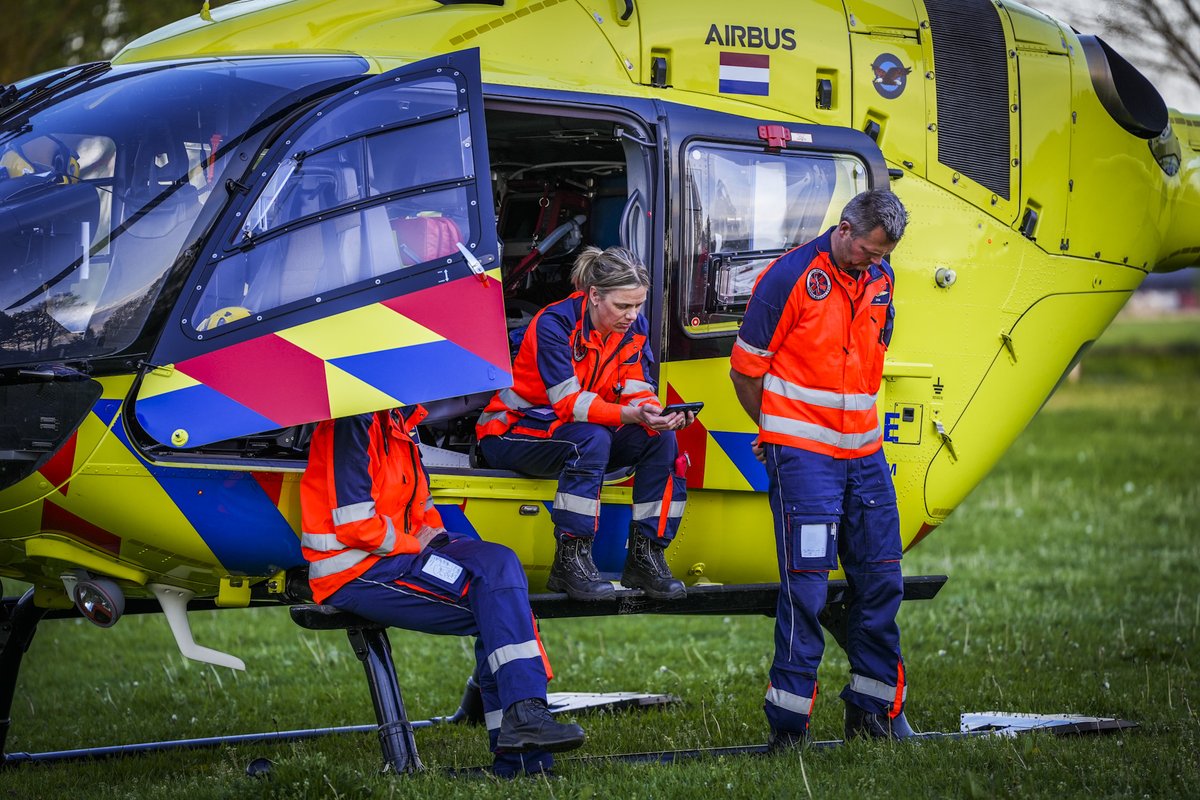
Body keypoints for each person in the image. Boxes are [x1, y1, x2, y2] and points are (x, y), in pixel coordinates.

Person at [300, 406, 585, 778]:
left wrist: (435, 540)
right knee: (501, 608)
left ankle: (525, 721)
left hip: (403, 554)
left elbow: (420, 507)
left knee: (499, 563)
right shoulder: (352, 424)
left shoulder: (400, 423)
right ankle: (521, 750)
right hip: (356, 569)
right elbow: (355, 525)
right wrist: (415, 544)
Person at [728, 189, 916, 744]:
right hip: (804, 459)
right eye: (867, 251)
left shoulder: (881, 279)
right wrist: (774, 431)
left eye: (882, 256)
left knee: (882, 580)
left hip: (865, 456)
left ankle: (874, 712)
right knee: (806, 592)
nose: (872, 263)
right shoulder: (788, 277)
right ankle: (789, 728)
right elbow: (745, 370)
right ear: (844, 229)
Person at [476, 246, 695, 601]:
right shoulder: (554, 324)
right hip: (508, 432)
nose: (632, 315)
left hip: (571, 431)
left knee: (660, 440)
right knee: (591, 439)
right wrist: (629, 415)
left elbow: (636, 387)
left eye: (638, 305)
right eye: (622, 306)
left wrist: (656, 415)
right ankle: (570, 561)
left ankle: (647, 557)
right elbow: (568, 402)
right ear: (594, 295)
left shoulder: (633, 328)